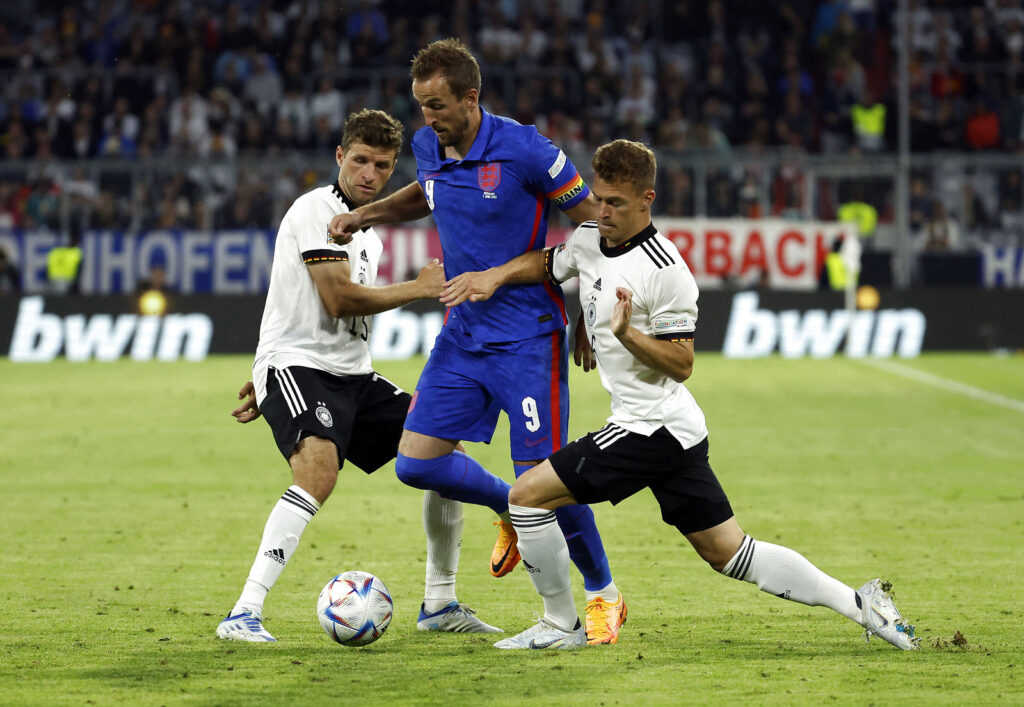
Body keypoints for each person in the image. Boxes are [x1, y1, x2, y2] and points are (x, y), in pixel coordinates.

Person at [441, 139, 919, 651]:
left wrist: (626, 335)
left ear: (647, 200)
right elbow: (547, 263)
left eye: (616, 203)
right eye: (599, 199)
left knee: (526, 497)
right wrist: (497, 277)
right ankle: (862, 604)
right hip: (676, 431)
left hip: (651, 428)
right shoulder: (588, 239)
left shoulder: (666, 269)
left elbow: (682, 362)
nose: (602, 211)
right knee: (730, 553)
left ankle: (560, 625)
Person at [328, 38, 626, 645]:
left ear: (471, 97)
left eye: (437, 105)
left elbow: (595, 225)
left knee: (543, 480)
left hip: (527, 339)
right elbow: (426, 192)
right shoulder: (425, 146)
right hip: (462, 336)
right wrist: (367, 215)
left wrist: (588, 315)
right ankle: (506, 508)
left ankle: (602, 593)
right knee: (414, 463)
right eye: (420, 105)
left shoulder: (526, 150)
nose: (427, 118)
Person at [216, 109, 512, 642]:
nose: (369, 174)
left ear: (392, 168)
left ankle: (440, 604)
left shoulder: (368, 234)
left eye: (380, 165)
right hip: (299, 367)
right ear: (339, 157)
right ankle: (244, 612)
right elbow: (336, 299)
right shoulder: (315, 210)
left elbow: (306, 302)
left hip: (351, 375)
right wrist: (419, 289)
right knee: (318, 474)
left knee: (443, 455)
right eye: (359, 161)